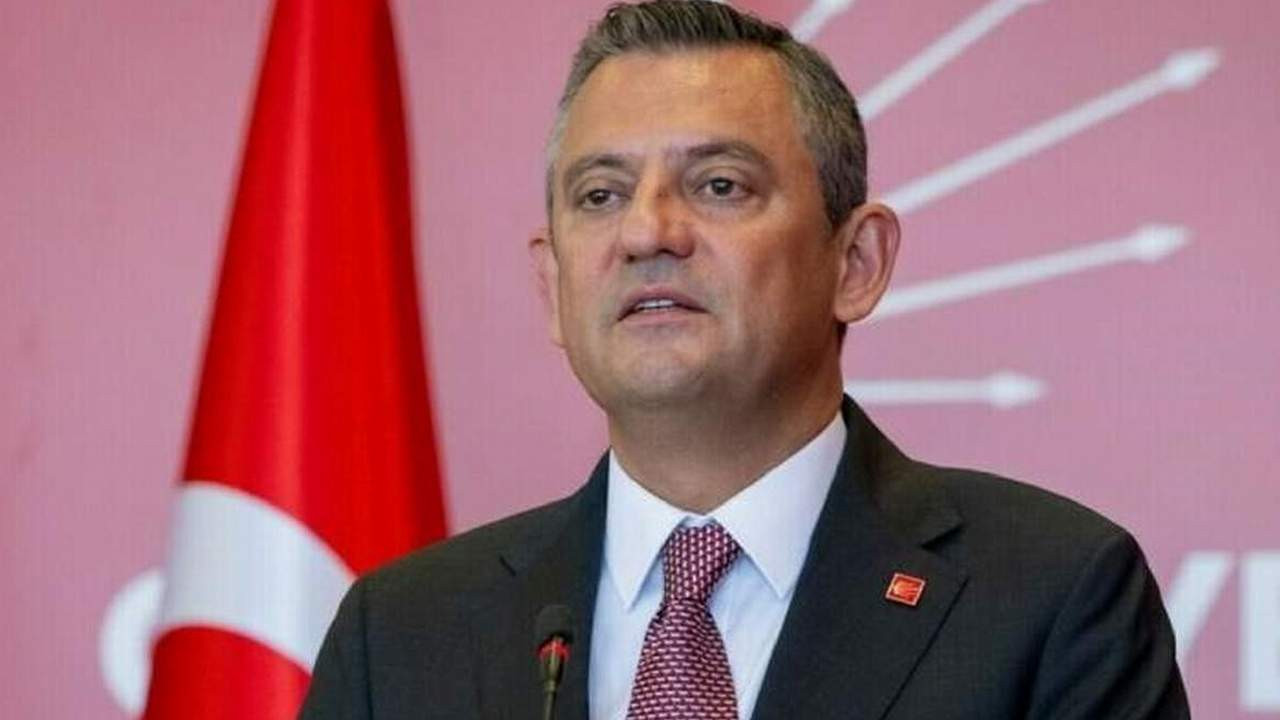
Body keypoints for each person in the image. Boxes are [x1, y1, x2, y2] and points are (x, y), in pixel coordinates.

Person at [300, 2, 1189, 718]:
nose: (647, 231)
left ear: (856, 263)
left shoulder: (1050, 598)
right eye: (601, 195)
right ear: (554, 284)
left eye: (719, 185)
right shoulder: (403, 636)